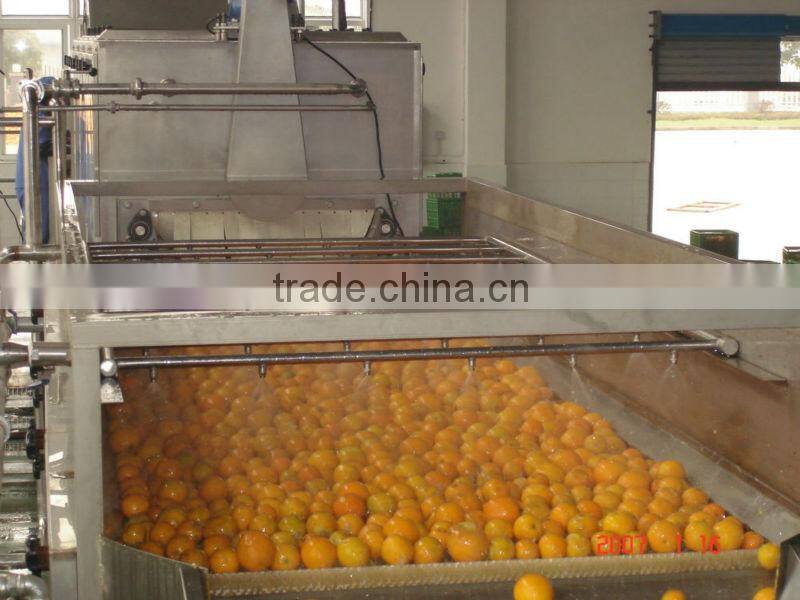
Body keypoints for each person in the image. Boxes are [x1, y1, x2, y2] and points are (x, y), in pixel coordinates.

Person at [14, 76, 54, 245]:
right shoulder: (40, 110)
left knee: (32, 232)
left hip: (26, 180)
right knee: (38, 235)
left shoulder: (34, 108)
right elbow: (41, 144)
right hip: (32, 181)